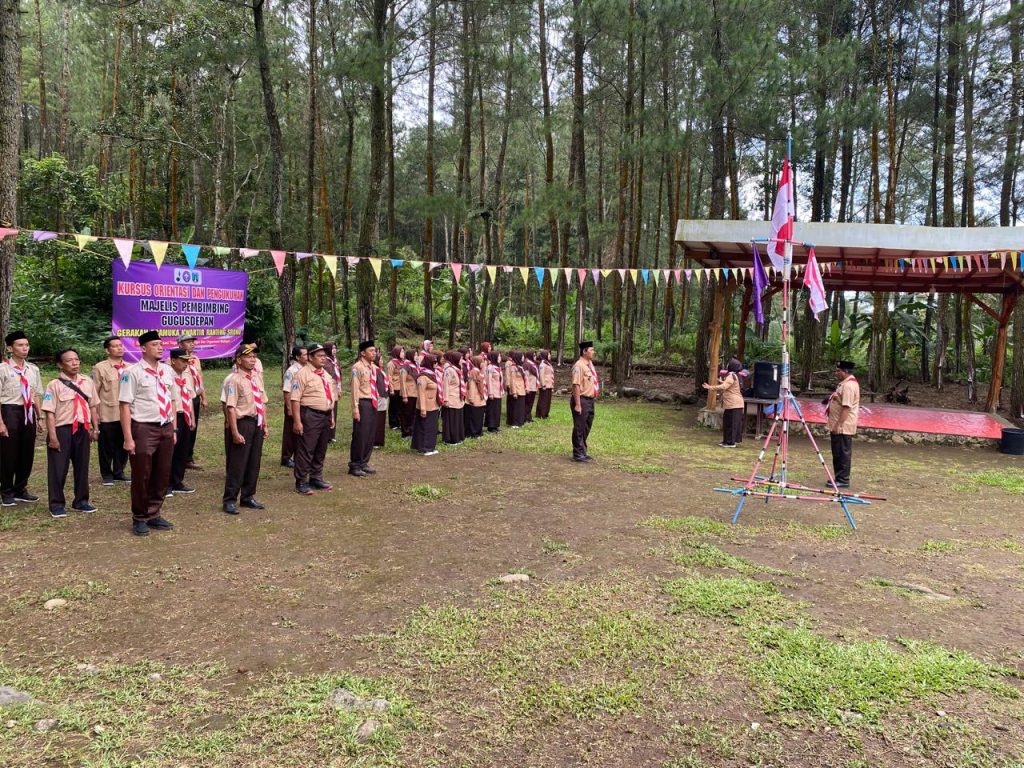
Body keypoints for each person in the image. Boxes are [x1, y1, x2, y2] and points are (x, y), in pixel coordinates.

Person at [119, 330, 180, 536]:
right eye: (155, 344)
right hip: (143, 427)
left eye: (161, 344)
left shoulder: (167, 371)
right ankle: (139, 516)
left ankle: (154, 513)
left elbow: (172, 400)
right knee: (142, 473)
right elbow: (124, 406)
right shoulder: (131, 372)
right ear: (143, 348)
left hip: (165, 426)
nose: (160, 347)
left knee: (162, 472)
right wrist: (128, 438)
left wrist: (174, 428)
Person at [42, 348, 99, 518]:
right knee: (58, 469)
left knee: (82, 467)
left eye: (76, 359)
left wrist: (95, 428)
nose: (74, 363)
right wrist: (53, 437)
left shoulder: (87, 381)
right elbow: (50, 413)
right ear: (60, 365)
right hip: (62, 430)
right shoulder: (54, 385)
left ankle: (81, 501)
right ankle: (56, 504)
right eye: (69, 360)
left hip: (82, 429)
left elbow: (93, 407)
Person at [222, 343, 268, 514]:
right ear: (239, 360)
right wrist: (234, 432)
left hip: (256, 422)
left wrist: (265, 424)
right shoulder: (233, 380)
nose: (253, 359)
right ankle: (230, 500)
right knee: (237, 463)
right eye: (248, 357)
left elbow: (262, 402)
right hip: (242, 423)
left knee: (254, 462)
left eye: (254, 357)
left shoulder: (255, 377)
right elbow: (230, 408)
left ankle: (248, 496)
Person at [0, 331, 43, 507]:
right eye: (20, 345)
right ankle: (6, 490)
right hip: (9, 411)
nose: (25, 348)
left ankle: (21, 488)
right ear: (10, 349)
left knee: (27, 451)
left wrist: (40, 417)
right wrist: (1, 423)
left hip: (28, 411)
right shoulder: (3, 369)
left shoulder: (33, 369)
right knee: (8, 452)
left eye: (26, 345)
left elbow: (36, 394)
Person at [292, 343, 334, 494]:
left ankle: (316, 477)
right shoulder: (302, 374)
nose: (323, 358)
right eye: (319, 356)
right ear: (310, 357)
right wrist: (297, 421)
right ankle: (301, 481)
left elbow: (330, 396)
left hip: (325, 415)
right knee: (306, 449)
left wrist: (331, 416)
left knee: (320, 448)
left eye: (324, 356)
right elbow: (295, 399)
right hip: (310, 415)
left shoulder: (325, 374)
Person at [92, 336, 131, 486]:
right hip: (108, 412)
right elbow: (94, 392)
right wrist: (95, 414)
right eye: (115, 346)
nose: (119, 348)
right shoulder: (100, 368)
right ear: (107, 350)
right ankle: (107, 474)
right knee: (106, 446)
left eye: (120, 345)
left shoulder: (130, 367)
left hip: (126, 413)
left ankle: (119, 472)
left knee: (124, 442)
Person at [166, 349, 197, 496]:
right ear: (173, 360)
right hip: (173, 417)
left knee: (182, 450)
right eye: (182, 361)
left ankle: (177, 481)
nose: (186, 364)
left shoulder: (187, 376)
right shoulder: (166, 376)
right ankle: (166, 484)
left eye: (187, 361)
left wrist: (192, 417)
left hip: (185, 416)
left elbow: (189, 398)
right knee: (170, 451)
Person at [348, 340, 380, 478]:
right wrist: (355, 408)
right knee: (360, 434)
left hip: (372, 401)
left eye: (375, 350)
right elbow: (355, 389)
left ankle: (364, 462)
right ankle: (355, 464)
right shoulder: (357, 368)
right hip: (362, 402)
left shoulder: (372, 367)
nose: (374, 353)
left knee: (370, 434)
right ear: (363, 353)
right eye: (371, 351)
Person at [827, 360, 860, 489]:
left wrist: (839, 425)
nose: (836, 373)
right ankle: (838, 477)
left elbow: (846, 407)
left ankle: (843, 479)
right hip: (839, 424)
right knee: (837, 452)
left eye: (838, 371)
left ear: (845, 371)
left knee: (842, 453)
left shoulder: (849, 386)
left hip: (843, 426)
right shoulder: (844, 384)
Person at [177, 335, 206, 470]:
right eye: (188, 342)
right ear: (180, 344)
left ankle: (188, 458)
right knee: (181, 428)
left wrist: (203, 397)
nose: (192, 344)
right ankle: (178, 458)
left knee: (192, 429)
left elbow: (199, 379)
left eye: (192, 342)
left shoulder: (195, 359)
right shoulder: (173, 360)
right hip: (182, 398)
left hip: (194, 397)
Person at [703, 358, 745, 448]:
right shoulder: (735, 375)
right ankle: (727, 441)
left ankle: (730, 443)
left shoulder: (731, 376)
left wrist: (710, 387)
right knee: (728, 422)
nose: (727, 366)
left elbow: (724, 386)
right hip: (735, 404)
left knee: (731, 423)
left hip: (734, 404)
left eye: (728, 364)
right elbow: (730, 385)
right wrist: (721, 381)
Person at [570, 341, 600, 463]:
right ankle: (577, 453)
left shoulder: (589, 365)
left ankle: (582, 450)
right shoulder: (579, 366)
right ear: (584, 351)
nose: (593, 352)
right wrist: (578, 404)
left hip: (589, 400)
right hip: (581, 399)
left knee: (587, 426)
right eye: (591, 350)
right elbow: (576, 385)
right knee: (579, 427)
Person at [281, 346, 307, 468]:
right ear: (297, 357)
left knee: (300, 431)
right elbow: (287, 391)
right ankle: (286, 458)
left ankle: (299, 456)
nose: (307, 357)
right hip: (292, 404)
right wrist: (289, 408)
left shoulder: (306, 369)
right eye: (305, 355)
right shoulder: (291, 371)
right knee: (290, 433)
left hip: (302, 404)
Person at [411, 353, 440, 455]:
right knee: (425, 427)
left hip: (434, 405)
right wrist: (423, 408)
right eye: (434, 362)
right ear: (429, 362)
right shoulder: (423, 377)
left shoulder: (433, 374)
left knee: (432, 427)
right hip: (426, 406)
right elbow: (421, 393)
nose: (436, 364)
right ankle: (425, 448)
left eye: (437, 361)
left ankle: (428, 447)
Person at [441, 350, 466, 445]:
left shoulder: (458, 369)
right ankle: (450, 439)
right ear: (456, 359)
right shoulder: (449, 370)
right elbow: (445, 385)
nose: (462, 360)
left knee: (457, 419)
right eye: (461, 359)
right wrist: (446, 399)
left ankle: (457, 437)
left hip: (458, 399)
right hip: (451, 399)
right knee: (451, 420)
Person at [323, 342, 343, 442]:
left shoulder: (335, 360)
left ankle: (331, 435)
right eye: (332, 348)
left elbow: (339, 375)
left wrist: (339, 388)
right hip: (327, 387)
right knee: (327, 410)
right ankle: (326, 435)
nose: (334, 350)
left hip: (335, 387)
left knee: (334, 410)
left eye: (335, 348)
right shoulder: (324, 361)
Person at [464, 354, 487, 438]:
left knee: (479, 416)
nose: (483, 363)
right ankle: (473, 433)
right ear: (478, 362)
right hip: (475, 397)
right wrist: (471, 398)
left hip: (479, 397)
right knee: (474, 416)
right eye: (482, 361)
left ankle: (478, 431)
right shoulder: (474, 372)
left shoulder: (479, 371)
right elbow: (472, 386)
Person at [398, 349, 418, 438]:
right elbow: (402, 382)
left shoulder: (415, 366)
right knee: (406, 413)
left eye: (417, 355)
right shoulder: (405, 367)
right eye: (415, 355)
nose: (417, 357)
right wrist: (404, 395)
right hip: (408, 393)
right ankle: (405, 432)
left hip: (415, 393)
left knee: (413, 413)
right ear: (410, 356)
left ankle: (411, 430)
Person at [507, 352, 528, 428]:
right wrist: (514, 392)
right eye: (522, 356)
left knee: (520, 407)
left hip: (522, 389)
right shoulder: (513, 367)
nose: (523, 358)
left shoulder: (521, 367)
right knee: (516, 407)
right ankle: (515, 423)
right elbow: (512, 380)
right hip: (517, 389)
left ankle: (520, 422)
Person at [484, 351, 503, 433]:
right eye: (498, 356)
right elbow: (488, 380)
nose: (500, 358)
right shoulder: (490, 367)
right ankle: (491, 426)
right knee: (492, 409)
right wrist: (490, 392)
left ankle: (495, 425)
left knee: (497, 409)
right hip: (493, 391)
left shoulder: (497, 367)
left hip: (498, 391)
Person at [385, 346, 403, 430]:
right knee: (393, 406)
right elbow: (389, 376)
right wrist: (391, 388)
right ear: (397, 353)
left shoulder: (402, 362)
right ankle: (393, 423)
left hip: (401, 387)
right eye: (401, 352)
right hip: (395, 387)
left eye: (403, 352)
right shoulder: (391, 363)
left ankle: (399, 422)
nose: (403, 353)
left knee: (400, 406)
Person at [536, 350, 555, 419]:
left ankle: (546, 413)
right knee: (543, 400)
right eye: (548, 354)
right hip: (545, 385)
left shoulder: (548, 363)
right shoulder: (543, 364)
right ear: (545, 355)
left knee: (547, 400)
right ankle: (541, 414)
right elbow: (541, 375)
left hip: (549, 384)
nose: (550, 356)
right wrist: (543, 384)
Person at [523, 352, 539, 423]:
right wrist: (527, 386)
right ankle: (525, 417)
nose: (535, 357)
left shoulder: (533, 364)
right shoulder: (526, 364)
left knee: (531, 402)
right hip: (529, 386)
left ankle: (529, 416)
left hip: (533, 385)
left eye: (535, 355)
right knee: (527, 402)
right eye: (534, 355)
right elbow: (526, 376)